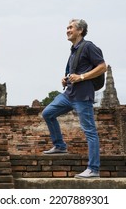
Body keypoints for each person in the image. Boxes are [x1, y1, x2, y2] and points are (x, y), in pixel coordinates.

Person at [42, 19, 107, 179]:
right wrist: (66, 78)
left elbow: (102, 66)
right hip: (68, 94)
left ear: (80, 30)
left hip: (83, 96)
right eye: (67, 27)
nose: (67, 30)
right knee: (47, 113)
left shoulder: (89, 46)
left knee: (90, 131)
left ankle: (93, 169)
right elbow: (73, 72)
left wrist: (82, 76)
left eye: (70, 27)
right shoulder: (74, 50)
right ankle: (60, 146)